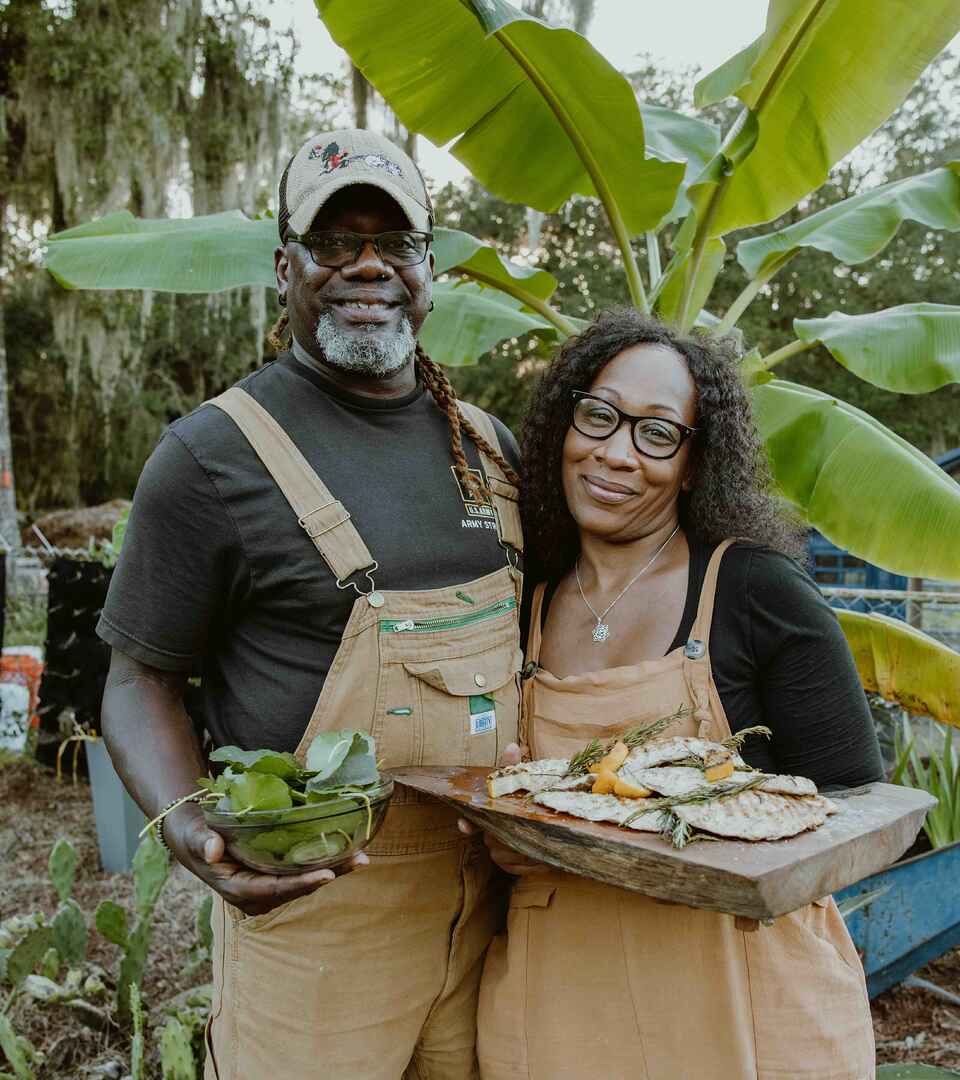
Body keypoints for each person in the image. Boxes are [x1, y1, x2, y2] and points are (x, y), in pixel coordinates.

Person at [98, 128, 526, 1080]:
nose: (366, 265)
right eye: (335, 243)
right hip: (314, 917)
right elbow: (137, 682)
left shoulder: (490, 449)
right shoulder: (213, 456)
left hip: (495, 907)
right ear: (286, 265)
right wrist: (193, 832)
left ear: (429, 268)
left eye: (394, 242)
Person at [473, 310, 882, 1080]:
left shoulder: (754, 589)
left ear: (695, 463)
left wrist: (712, 817)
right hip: (561, 1005)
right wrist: (510, 832)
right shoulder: (520, 603)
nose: (615, 453)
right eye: (598, 416)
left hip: (740, 1003)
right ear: (567, 422)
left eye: (656, 434)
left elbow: (856, 804)